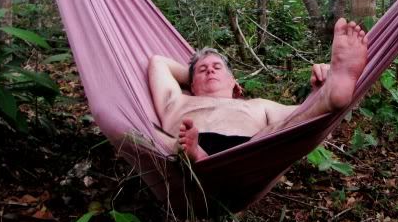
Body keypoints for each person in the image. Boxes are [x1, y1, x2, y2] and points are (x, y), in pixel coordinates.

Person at [148, 18, 368, 161]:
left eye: (217, 68)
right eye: (202, 70)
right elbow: (158, 62)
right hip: (184, 145)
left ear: (235, 83)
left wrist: (318, 91)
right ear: (190, 83)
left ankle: (329, 96)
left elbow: (303, 117)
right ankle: (194, 154)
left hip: (250, 151)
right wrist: (192, 78)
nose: (210, 71)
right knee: (157, 137)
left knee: (280, 128)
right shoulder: (178, 100)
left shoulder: (258, 106)